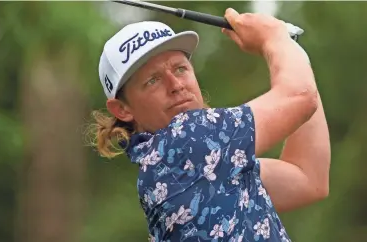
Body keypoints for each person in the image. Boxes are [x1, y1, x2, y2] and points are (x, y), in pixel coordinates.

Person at [90, 8, 331, 242]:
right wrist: (275, 38)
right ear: (122, 109)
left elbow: (308, 178)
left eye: (180, 68)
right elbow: (300, 96)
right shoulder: (188, 139)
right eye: (153, 80)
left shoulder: (196, 163)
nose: (176, 84)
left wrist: (295, 54)